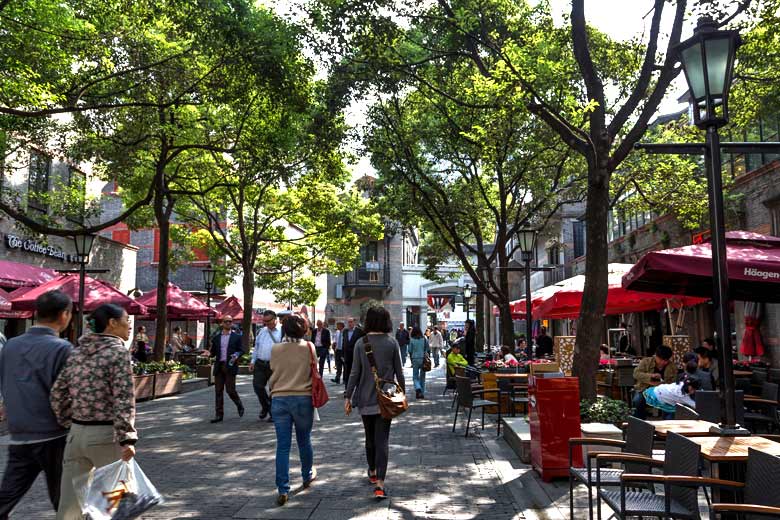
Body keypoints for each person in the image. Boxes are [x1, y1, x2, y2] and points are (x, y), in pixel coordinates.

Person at [50, 304, 137, 520]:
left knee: (70, 505)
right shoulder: (117, 352)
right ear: (112, 323)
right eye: (127, 319)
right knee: (117, 502)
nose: (130, 325)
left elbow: (57, 393)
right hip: (107, 436)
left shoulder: (77, 352)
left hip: (76, 435)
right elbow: (123, 398)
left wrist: (68, 422)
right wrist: (128, 438)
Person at [0, 290, 73, 519]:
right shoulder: (62, 349)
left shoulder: (10, 345)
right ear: (64, 315)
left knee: (7, 495)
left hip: (20, 433)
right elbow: (68, 393)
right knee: (65, 500)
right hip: (54, 434)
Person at [345, 306, 405, 499]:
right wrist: (402, 394)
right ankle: (380, 483)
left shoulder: (361, 343)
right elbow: (400, 372)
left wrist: (348, 396)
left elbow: (354, 372)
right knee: (383, 440)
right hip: (386, 400)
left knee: (369, 438)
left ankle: (371, 471)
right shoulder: (392, 342)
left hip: (364, 399)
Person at [268, 314, 317, 506]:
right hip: (303, 398)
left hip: (279, 398)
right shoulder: (309, 348)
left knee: (283, 445)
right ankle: (306, 476)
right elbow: (315, 372)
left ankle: (283, 488)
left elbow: (273, 369)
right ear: (303, 329)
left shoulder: (275, 349)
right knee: (304, 440)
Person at [202, 314, 244, 423]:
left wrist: (236, 355)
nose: (228, 323)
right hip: (219, 366)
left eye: (230, 321)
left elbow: (241, 350)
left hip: (230, 366)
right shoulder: (216, 338)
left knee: (230, 390)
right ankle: (219, 415)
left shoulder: (237, 337)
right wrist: (209, 353)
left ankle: (239, 404)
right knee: (218, 391)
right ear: (222, 323)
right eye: (226, 321)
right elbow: (213, 352)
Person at [251, 310, 281, 421]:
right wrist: (253, 361)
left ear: (275, 319)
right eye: (265, 321)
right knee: (257, 386)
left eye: (269, 321)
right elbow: (257, 347)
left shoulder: (282, 331)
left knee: (273, 390)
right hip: (260, 363)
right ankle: (266, 406)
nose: (267, 323)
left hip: (275, 365)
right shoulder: (262, 331)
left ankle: (272, 412)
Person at [631, 345, 676, 419]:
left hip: (663, 390)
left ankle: (667, 422)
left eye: (666, 360)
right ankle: (640, 421)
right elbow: (636, 374)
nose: (664, 362)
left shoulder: (672, 366)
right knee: (638, 400)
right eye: (661, 360)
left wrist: (662, 384)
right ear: (656, 356)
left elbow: (673, 382)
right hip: (644, 388)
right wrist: (650, 376)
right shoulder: (646, 361)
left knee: (670, 403)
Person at [342, 317, 365, 390]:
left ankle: (358, 388)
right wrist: (342, 354)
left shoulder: (359, 331)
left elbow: (364, 341)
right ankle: (347, 389)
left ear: (354, 323)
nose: (350, 323)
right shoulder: (345, 331)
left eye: (351, 322)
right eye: (348, 322)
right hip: (347, 356)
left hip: (356, 355)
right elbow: (343, 343)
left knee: (357, 372)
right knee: (347, 372)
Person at [408, 327, 430, 399]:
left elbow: (410, 350)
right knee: (422, 377)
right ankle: (422, 393)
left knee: (415, 376)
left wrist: (411, 359)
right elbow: (428, 349)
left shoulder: (411, 340)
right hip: (423, 359)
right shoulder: (424, 338)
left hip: (415, 359)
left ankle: (418, 388)